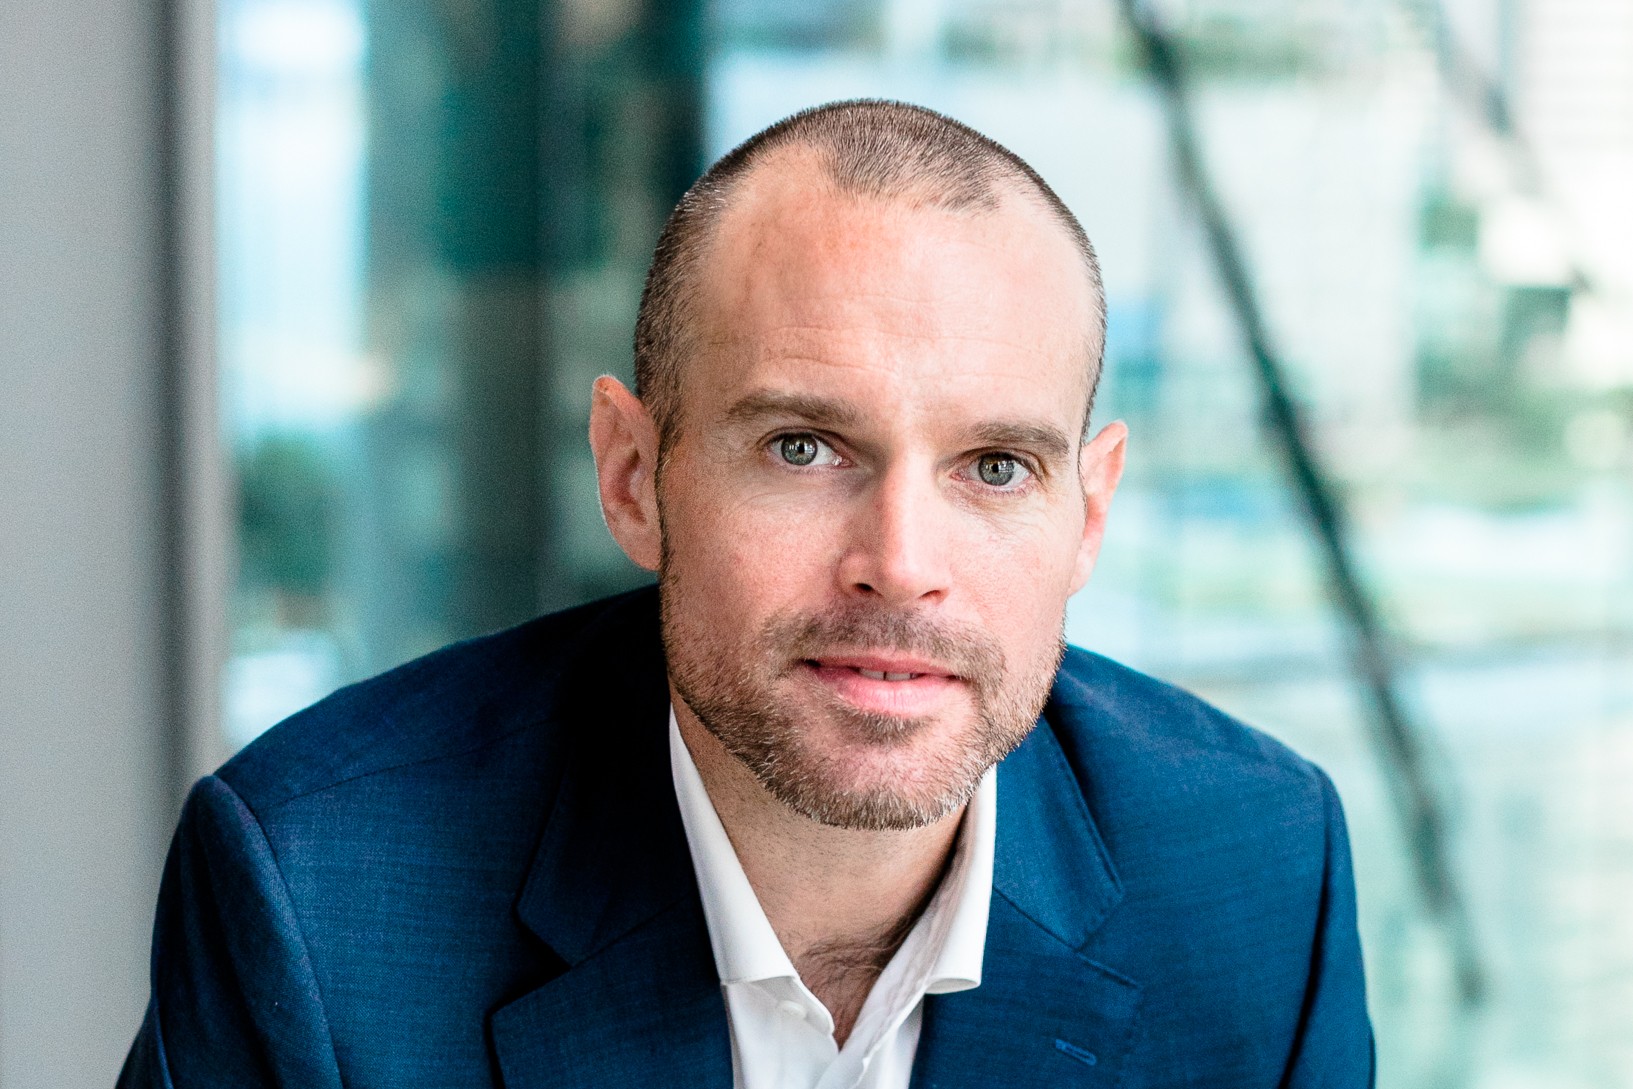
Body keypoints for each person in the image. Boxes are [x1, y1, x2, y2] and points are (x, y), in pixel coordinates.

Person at [119, 100, 1373, 1088]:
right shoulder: (320, 893)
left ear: (1087, 516)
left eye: (995, 466)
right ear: (632, 477)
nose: (901, 562)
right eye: (802, 448)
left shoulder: (1257, 872)